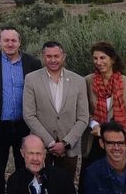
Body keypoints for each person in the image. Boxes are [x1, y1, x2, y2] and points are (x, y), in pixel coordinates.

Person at [0, 27, 41, 172]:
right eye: (6, 40)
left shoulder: (33, 64)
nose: (10, 44)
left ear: (19, 42)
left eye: (13, 40)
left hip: (24, 125)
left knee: (24, 167)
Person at [22, 41, 88, 180]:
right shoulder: (31, 79)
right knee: (39, 182)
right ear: (43, 57)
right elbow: (29, 115)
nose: (53, 60)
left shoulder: (78, 81)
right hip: (40, 145)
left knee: (65, 184)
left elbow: (83, 117)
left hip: (69, 147)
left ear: (63, 56)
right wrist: (50, 143)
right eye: (49, 56)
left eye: (56, 56)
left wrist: (65, 143)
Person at [82, 41, 126, 168]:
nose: (98, 62)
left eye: (102, 58)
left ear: (113, 59)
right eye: (95, 58)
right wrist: (94, 125)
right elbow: (82, 110)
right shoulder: (87, 81)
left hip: (122, 141)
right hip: (96, 141)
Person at [6, 134, 76, 194]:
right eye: (31, 153)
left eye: (38, 153)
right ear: (22, 153)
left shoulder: (62, 178)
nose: (35, 158)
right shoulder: (15, 181)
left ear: (44, 154)